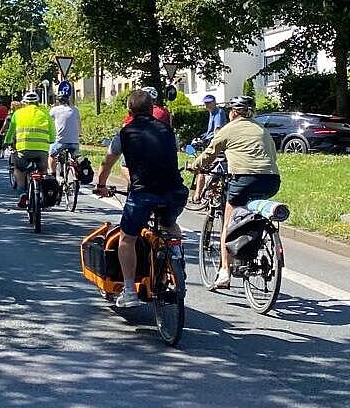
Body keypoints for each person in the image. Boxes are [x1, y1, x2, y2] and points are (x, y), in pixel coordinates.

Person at [94, 89, 188, 308]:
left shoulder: (124, 134)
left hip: (143, 194)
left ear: (129, 110)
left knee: (128, 238)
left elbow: (107, 163)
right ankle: (176, 258)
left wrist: (100, 185)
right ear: (151, 108)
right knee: (169, 223)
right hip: (175, 192)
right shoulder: (167, 130)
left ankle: (129, 290)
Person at [190, 94, 280, 290]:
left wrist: (194, 166)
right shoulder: (262, 130)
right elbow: (272, 155)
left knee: (228, 223)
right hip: (271, 180)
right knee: (253, 210)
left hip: (243, 180)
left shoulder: (227, 129)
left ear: (232, 113)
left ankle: (224, 272)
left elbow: (210, 153)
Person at [5, 91, 54, 209]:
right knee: (42, 171)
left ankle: (22, 192)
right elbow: (52, 132)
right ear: (37, 102)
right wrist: (51, 140)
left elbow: (11, 131)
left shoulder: (18, 113)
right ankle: (41, 192)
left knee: (19, 169)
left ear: (24, 103)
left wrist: (7, 141)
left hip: (23, 149)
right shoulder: (45, 113)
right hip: (42, 150)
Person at [48, 88, 81, 181]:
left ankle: (53, 176)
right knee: (74, 158)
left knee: (51, 155)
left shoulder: (54, 110)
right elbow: (79, 125)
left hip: (60, 141)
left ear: (58, 100)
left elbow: (49, 122)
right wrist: (79, 135)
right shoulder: (75, 109)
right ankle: (75, 177)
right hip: (74, 141)